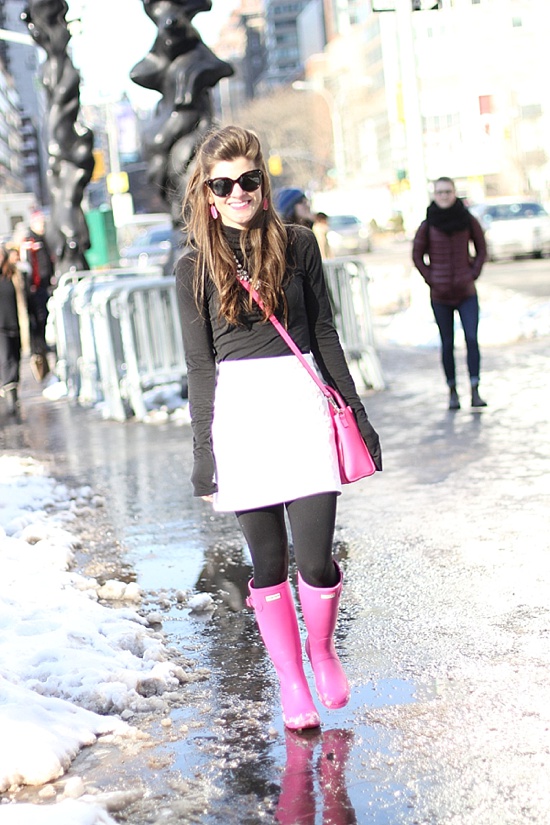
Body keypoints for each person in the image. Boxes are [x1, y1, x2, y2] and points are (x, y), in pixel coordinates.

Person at [175, 125, 382, 731]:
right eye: (223, 184)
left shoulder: (297, 243)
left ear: (263, 182)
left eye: (248, 179)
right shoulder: (193, 265)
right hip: (241, 418)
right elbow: (198, 366)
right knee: (267, 564)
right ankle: (292, 682)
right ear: (207, 193)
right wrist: (203, 452)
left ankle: (321, 650)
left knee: (315, 561)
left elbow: (324, 334)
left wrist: (357, 416)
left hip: (301, 404)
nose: (238, 192)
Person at [412, 176, 488, 410]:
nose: (444, 196)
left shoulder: (467, 220)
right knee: (447, 343)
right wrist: (432, 279)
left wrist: (472, 272)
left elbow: (482, 247)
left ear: (455, 193)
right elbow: (417, 255)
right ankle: (452, 392)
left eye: (448, 191)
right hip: (440, 296)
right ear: (434, 195)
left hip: (466, 292)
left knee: (472, 339)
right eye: (440, 192)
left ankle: (475, 390)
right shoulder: (428, 224)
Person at [20, 210, 55, 382]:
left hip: (44, 285)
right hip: (35, 288)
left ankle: (42, 348)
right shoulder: (30, 240)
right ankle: (38, 350)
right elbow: (29, 264)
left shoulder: (43, 239)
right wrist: (33, 285)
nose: (43, 226)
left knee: (45, 318)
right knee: (38, 320)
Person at [0, 245, 30, 415]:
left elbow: (24, 297)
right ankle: (10, 396)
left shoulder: (13, 275)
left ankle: (13, 390)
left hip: (15, 322)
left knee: (16, 358)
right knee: (6, 359)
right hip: (0, 327)